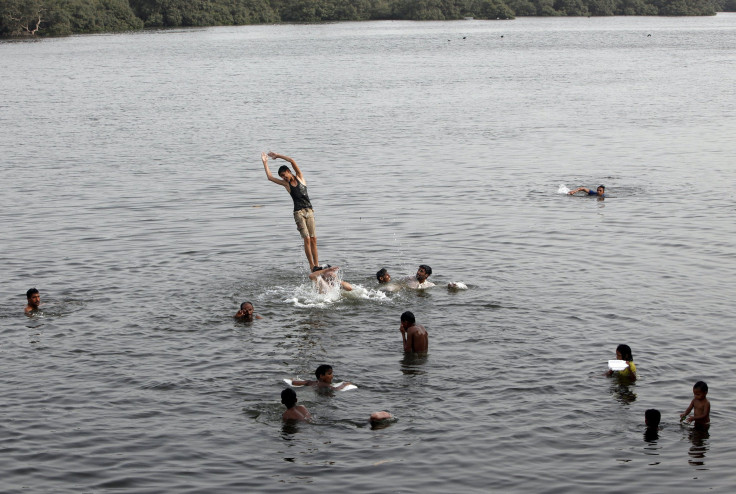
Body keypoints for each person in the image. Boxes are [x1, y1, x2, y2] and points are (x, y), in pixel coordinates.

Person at [261, 151, 319, 270]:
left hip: (309, 211)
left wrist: (277, 156)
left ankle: (317, 265)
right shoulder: (286, 185)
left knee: (313, 238)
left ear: (288, 171)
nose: (283, 177)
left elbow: (292, 161)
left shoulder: (300, 178)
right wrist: (265, 163)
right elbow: (270, 177)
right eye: (282, 176)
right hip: (298, 213)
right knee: (307, 239)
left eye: (284, 175)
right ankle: (311, 265)